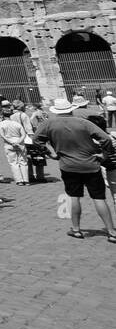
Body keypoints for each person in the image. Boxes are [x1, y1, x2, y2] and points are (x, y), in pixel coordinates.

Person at [32, 97, 116, 242]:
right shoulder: (84, 123)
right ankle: (111, 231)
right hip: (91, 164)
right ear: (71, 109)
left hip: (68, 165)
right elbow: (106, 139)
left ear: (56, 111)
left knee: (74, 197)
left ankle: (76, 229)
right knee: (99, 198)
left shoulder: (49, 124)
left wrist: (50, 153)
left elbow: (36, 140)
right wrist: (104, 154)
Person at [0, 101, 32, 186]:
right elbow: (23, 134)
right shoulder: (17, 124)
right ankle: (26, 180)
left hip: (9, 144)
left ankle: (19, 180)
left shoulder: (1, 124)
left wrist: (11, 142)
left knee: (13, 163)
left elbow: (3, 136)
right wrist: (19, 141)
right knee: (23, 162)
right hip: (20, 142)